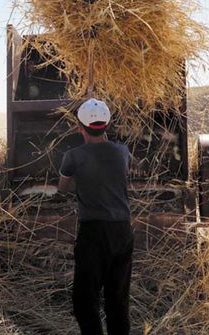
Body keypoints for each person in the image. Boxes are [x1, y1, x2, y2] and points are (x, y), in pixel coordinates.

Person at [57, 98, 133, 335]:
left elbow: (62, 188)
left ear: (80, 127)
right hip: (122, 231)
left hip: (93, 234)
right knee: (117, 300)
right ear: (107, 125)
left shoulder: (73, 156)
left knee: (84, 301)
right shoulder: (123, 152)